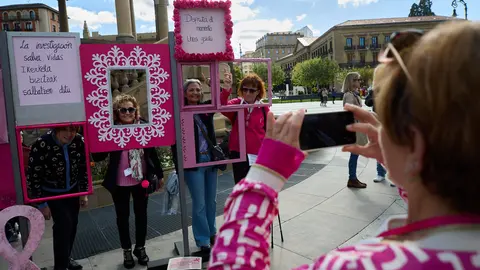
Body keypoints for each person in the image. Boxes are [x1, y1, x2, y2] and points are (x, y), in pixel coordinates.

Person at [208, 21, 480, 269]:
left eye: (386, 121)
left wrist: (263, 177)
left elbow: (233, 264)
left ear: (415, 144)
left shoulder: (355, 265)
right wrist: (409, 168)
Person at [92, 94, 164, 269]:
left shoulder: (144, 125)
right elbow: (99, 155)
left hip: (141, 180)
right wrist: (96, 137)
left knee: (142, 215)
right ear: (117, 113)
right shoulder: (111, 129)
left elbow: (152, 153)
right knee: (122, 218)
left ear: (135, 111)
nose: (127, 112)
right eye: (123, 109)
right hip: (119, 182)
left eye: (130, 109)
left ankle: (140, 248)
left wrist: (159, 174)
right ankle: (126, 250)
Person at [171, 78, 231, 254]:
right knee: (199, 204)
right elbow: (175, 142)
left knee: (211, 201)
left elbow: (220, 101)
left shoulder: (206, 109)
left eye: (198, 90)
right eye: (191, 90)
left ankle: (212, 233)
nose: (195, 93)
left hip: (210, 161)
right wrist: (179, 165)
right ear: (184, 93)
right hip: (193, 164)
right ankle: (203, 239)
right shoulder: (179, 111)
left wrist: (224, 87)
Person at [26, 126, 88, 270]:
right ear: (56, 130)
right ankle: (60, 266)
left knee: (73, 224)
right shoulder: (42, 143)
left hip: (72, 190)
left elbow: (83, 167)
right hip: (52, 192)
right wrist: (41, 203)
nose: (69, 134)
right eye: (65, 130)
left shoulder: (79, 141)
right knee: (63, 226)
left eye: (73, 130)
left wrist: (83, 192)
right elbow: (33, 176)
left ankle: (66, 258)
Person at [220, 73, 270, 184]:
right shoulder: (237, 103)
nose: (247, 93)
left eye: (251, 90)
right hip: (238, 152)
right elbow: (222, 107)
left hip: (257, 153)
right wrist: (227, 88)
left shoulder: (263, 108)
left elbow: (271, 131)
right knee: (240, 185)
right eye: (245, 89)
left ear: (257, 92)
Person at [342, 72, 367, 188]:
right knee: (354, 154)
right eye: (358, 79)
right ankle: (352, 178)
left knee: (355, 154)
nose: (359, 81)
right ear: (352, 81)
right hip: (354, 128)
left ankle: (352, 178)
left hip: (357, 126)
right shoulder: (349, 95)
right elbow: (349, 113)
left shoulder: (354, 94)